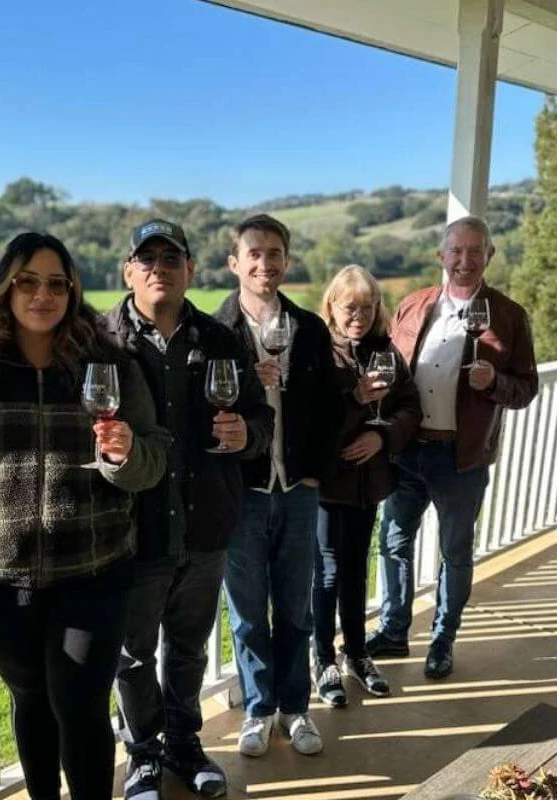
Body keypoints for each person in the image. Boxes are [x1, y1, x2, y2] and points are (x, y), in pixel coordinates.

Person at [0, 232, 168, 800]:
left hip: (95, 569)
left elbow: (154, 460)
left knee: (83, 705)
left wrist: (126, 454)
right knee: (33, 701)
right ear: (5, 286)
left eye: (56, 283)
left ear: (73, 290)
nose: (43, 295)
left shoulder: (108, 363)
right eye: (28, 281)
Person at [107, 219, 273, 800]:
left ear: (189, 270)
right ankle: (144, 756)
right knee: (131, 655)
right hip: (133, 533)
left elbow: (261, 420)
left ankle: (183, 743)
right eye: (145, 258)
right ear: (128, 271)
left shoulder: (221, 338)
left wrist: (244, 435)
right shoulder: (106, 343)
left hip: (205, 526)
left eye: (170, 258)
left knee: (188, 647)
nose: (158, 267)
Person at [366, 215, 538, 679]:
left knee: (454, 553)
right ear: (441, 256)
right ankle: (394, 630)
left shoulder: (509, 316)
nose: (464, 260)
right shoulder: (413, 305)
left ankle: (443, 640)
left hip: (460, 458)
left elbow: (526, 389)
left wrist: (495, 381)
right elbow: (389, 364)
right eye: (455, 251)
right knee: (394, 542)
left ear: (489, 256)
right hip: (406, 449)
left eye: (474, 251)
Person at [213, 214, 342, 758]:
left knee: (295, 607)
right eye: (255, 253)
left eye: (275, 254)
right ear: (235, 263)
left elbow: (330, 409)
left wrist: (316, 469)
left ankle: (295, 708)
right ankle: (258, 710)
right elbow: (204, 406)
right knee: (245, 610)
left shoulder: (310, 329)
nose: (265, 263)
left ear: (286, 262)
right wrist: (250, 379)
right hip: (241, 491)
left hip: (297, 489)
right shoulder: (216, 330)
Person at [311, 266, 421, 708]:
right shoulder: (319, 353)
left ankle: (355, 654)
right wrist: (353, 399)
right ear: (332, 307)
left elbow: (411, 408)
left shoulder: (386, 351)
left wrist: (382, 435)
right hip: (327, 482)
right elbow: (310, 420)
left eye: (368, 305)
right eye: (349, 306)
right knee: (328, 573)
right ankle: (323, 661)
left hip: (368, 483)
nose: (359, 314)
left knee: (358, 571)